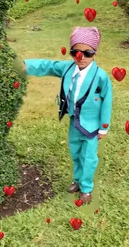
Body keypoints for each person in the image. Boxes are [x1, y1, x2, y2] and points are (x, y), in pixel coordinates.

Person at [22, 26, 113, 204]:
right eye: (75, 52)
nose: (81, 57)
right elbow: (48, 65)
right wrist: (25, 65)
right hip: (75, 122)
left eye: (87, 53)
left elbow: (107, 102)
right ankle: (77, 181)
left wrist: (104, 127)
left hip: (92, 126)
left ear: (95, 53)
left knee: (88, 157)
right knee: (76, 152)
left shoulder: (101, 77)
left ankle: (86, 188)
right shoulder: (68, 68)